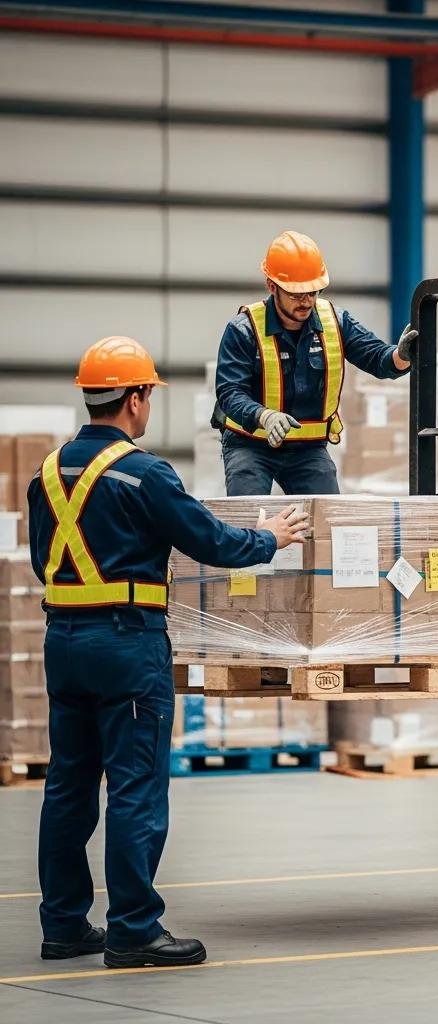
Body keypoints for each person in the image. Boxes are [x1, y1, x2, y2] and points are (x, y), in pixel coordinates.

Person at [28, 336, 309, 968]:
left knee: (69, 786)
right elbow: (206, 538)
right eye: (147, 393)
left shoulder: (46, 472)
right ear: (135, 398)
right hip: (126, 643)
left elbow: (40, 556)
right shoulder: (145, 473)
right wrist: (268, 538)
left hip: (64, 642)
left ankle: (65, 925)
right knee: (135, 786)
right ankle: (132, 928)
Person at [213, 230, 416, 496]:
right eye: (297, 294)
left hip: (307, 450)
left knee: (326, 525)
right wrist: (264, 416)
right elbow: (229, 392)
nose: (307, 301)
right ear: (272, 286)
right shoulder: (244, 329)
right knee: (250, 521)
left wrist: (401, 356)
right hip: (250, 444)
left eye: (313, 292)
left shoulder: (333, 321)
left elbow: (376, 358)